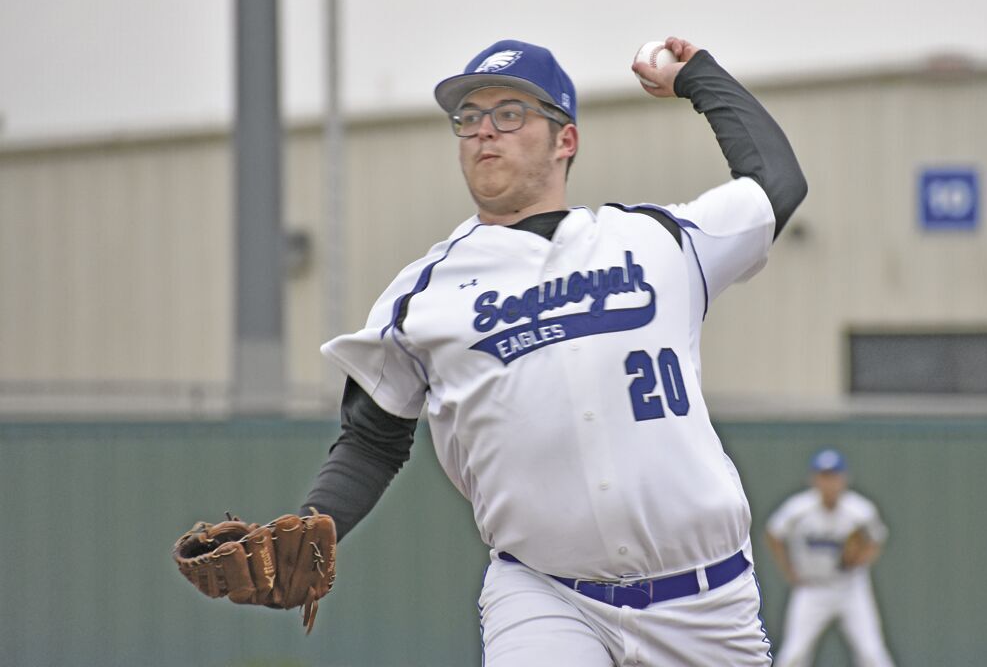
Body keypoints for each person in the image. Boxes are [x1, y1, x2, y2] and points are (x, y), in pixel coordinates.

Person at [302, 36, 807, 665]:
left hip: (705, 602)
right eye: (469, 118)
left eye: (510, 114)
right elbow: (373, 438)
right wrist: (313, 524)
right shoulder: (424, 292)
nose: (485, 132)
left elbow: (775, 185)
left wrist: (700, 79)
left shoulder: (655, 240)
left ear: (564, 139)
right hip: (544, 593)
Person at [765, 448, 896, 667]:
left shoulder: (860, 511)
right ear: (814, 479)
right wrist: (789, 571)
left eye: (834, 476)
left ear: (844, 479)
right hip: (812, 587)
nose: (829, 482)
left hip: (851, 588)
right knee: (793, 655)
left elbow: (876, 540)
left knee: (872, 654)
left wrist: (859, 558)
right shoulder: (798, 509)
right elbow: (773, 533)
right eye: (824, 476)